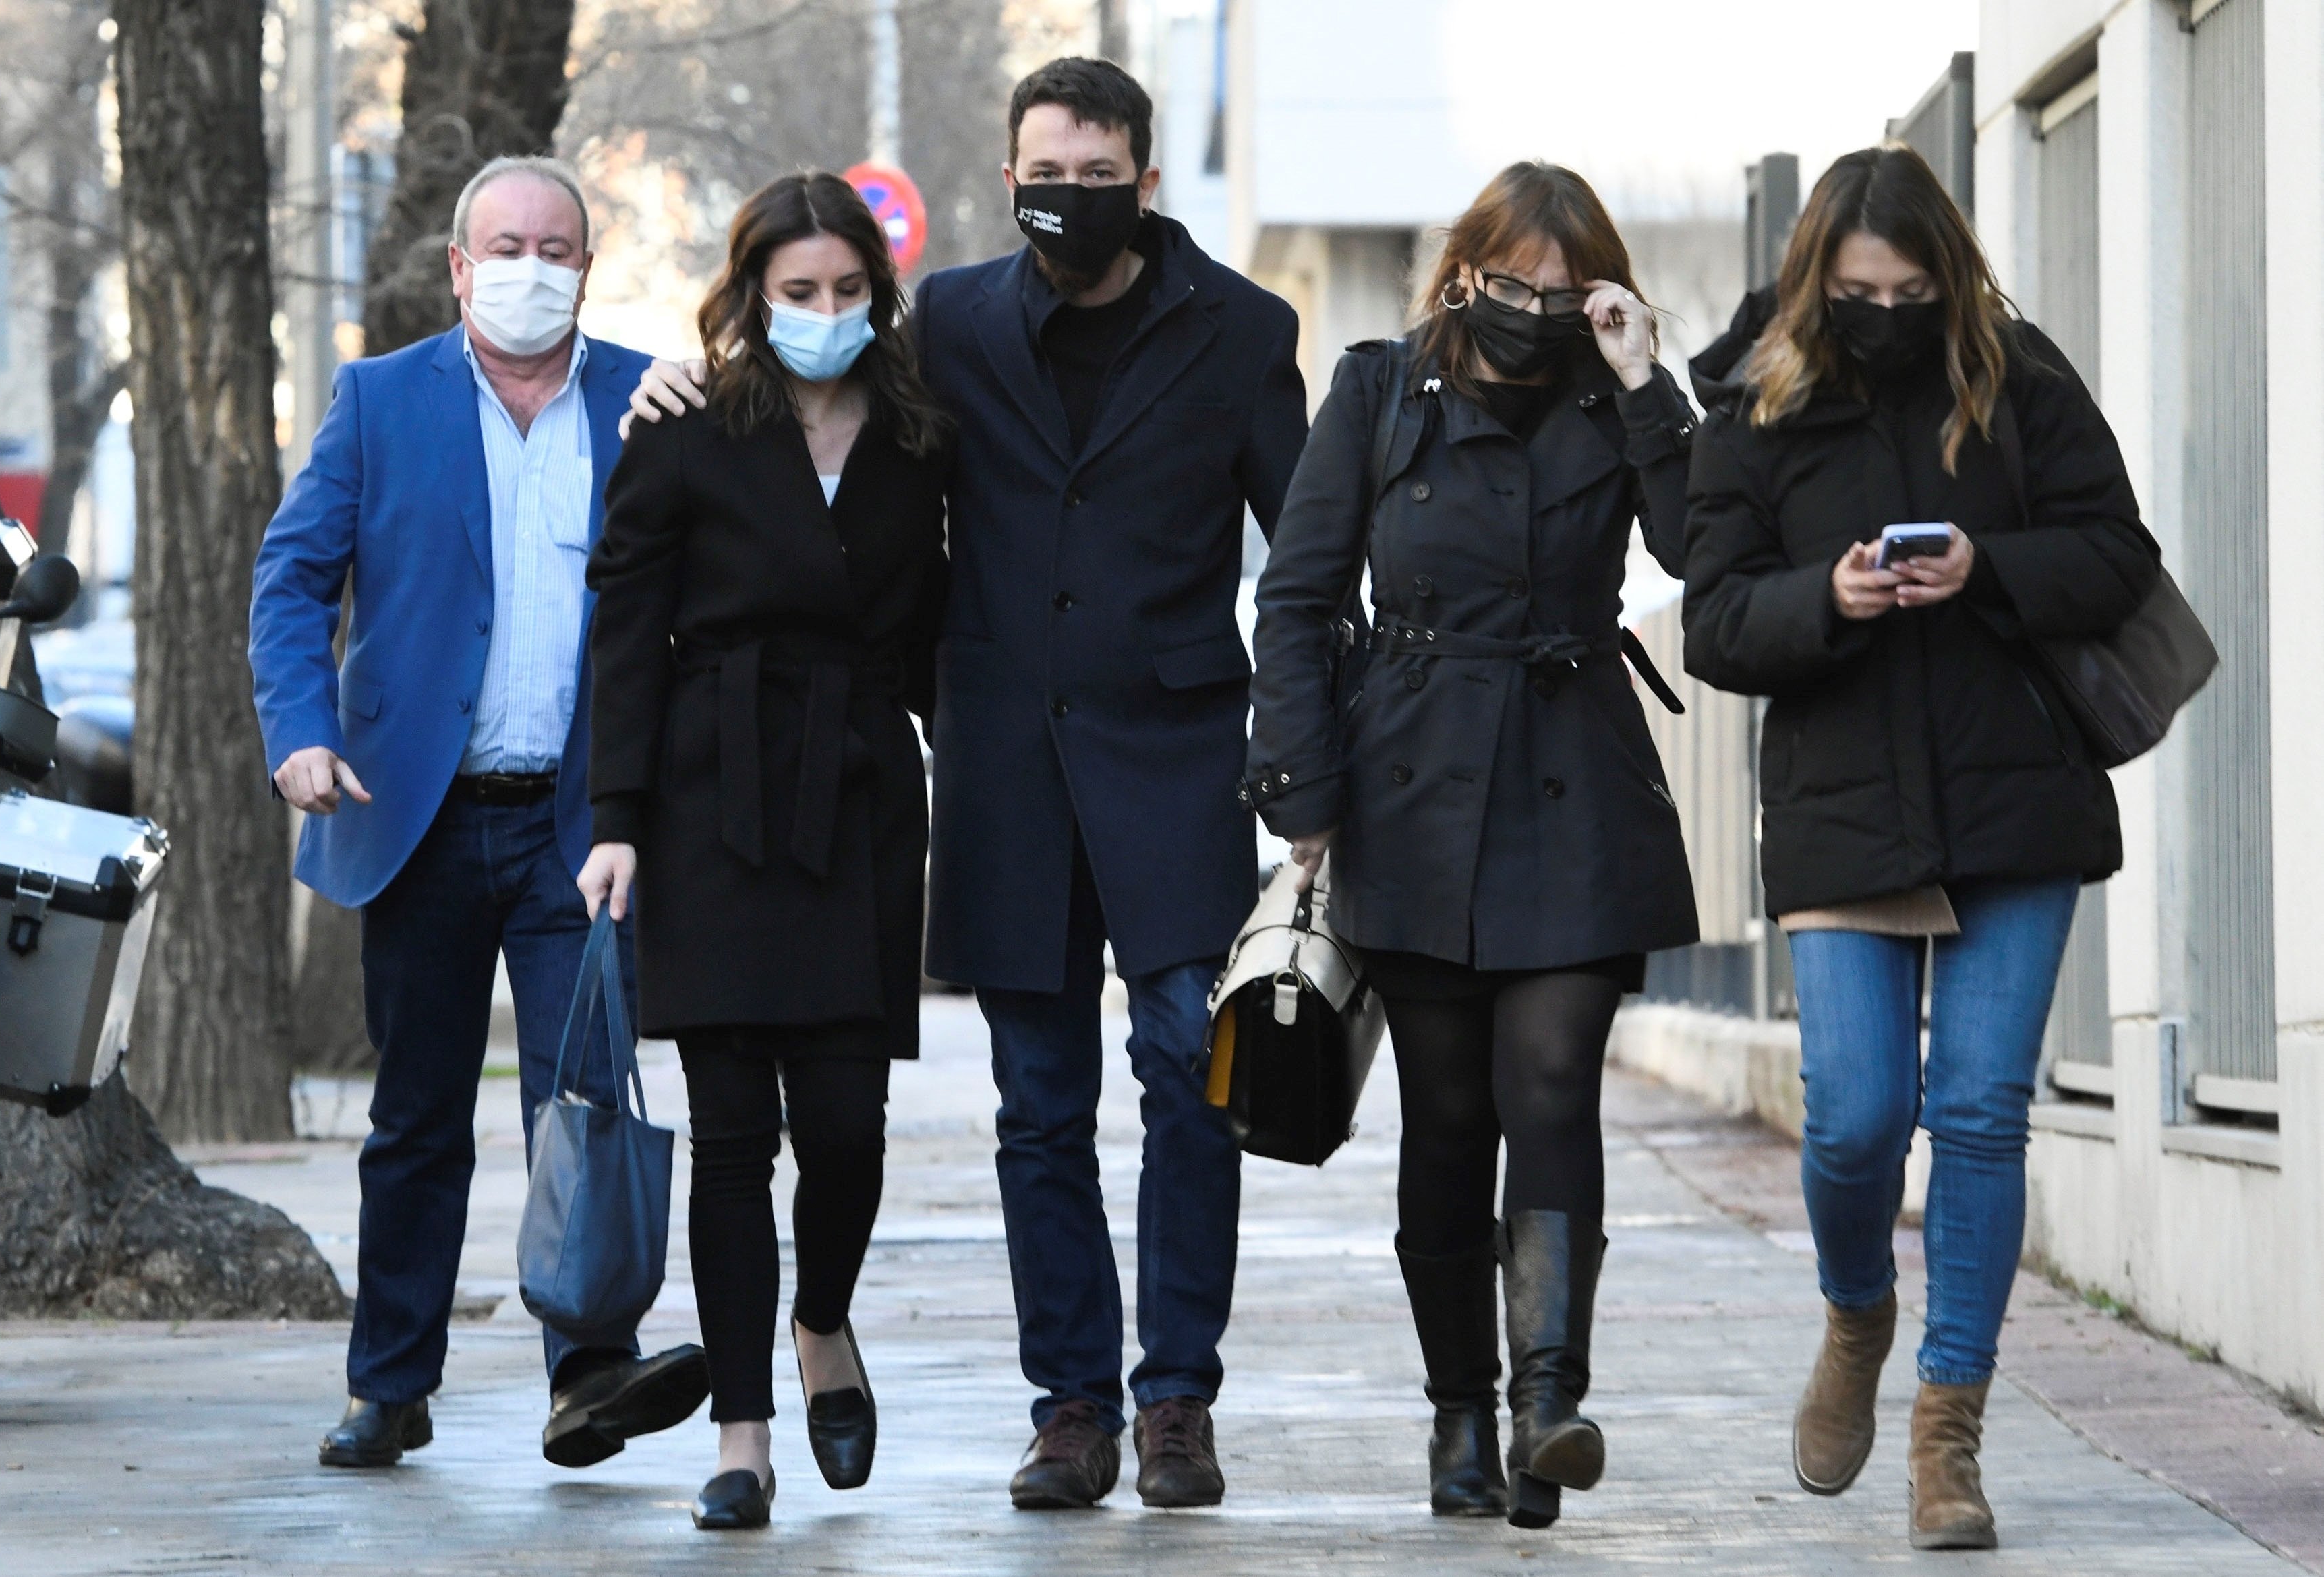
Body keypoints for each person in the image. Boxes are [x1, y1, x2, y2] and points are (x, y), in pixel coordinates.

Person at [627, 57, 1306, 1510]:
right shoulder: (950, 322)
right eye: (1044, 175)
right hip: (1005, 769)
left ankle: (1176, 1400)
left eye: (1097, 175)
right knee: (1037, 1107)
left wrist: (1306, 765)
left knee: (1190, 1083)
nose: (1070, 197)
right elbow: (818, 415)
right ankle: (1071, 1409)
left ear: (1144, 179)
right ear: (1008, 181)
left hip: (1178, 765)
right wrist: (675, 375)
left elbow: (1302, 564)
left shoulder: (1246, 331)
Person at [1680, 145, 2161, 1553]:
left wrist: (1984, 565)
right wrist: (1824, 599)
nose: (1885, 314)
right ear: (1813, 280)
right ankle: (1855, 1314)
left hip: (2015, 801)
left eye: (1909, 291)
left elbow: (2117, 552)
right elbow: (1714, 620)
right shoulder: (1753, 401)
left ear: (1945, 275)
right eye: (1858, 293)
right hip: (1843, 809)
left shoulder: (2018, 374)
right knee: (1853, 1120)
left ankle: (1948, 1432)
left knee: (1981, 1113)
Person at [1244, 162, 1700, 1530]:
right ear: (1462, 274)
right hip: (1413, 784)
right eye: (1514, 285)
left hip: (1575, 778)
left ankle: (1547, 1404)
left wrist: (1643, 382)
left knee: (1552, 1082)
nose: (1537, 311)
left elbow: (1698, 545)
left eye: (1568, 293)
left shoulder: (1612, 397)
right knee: (1447, 1114)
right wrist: (1302, 788)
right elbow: (1299, 595)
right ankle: (1459, 1409)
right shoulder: (1381, 389)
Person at [249, 156, 711, 1470]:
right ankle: (389, 1383)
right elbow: (293, 580)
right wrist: (301, 735)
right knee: (416, 1118)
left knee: (585, 1107)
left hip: (583, 825)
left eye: (555, 249)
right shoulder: (379, 400)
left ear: (587, 268)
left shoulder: (648, 403)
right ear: (460, 268)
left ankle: (591, 1370)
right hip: (420, 820)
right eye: (504, 248)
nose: (529, 270)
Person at [577, 171, 949, 1534]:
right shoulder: (686, 424)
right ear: (751, 296)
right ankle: (742, 1438)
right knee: (731, 1141)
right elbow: (625, 624)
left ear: (878, 293)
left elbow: (947, 624)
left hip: (858, 792)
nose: (823, 311)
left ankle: (823, 1320)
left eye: (847, 290)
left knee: (846, 1128)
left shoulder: (919, 433)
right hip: (710, 798)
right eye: (798, 291)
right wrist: (616, 821)